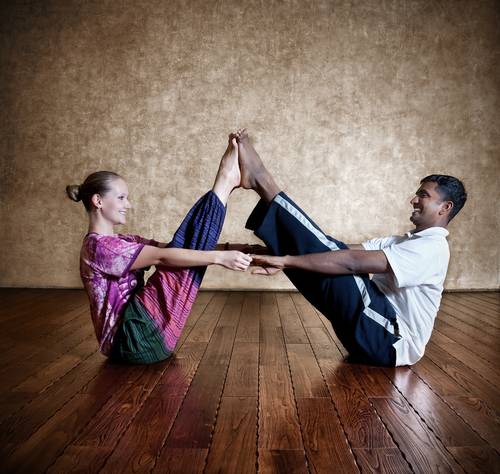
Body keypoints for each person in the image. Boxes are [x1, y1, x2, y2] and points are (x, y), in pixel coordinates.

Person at [235, 129, 467, 366]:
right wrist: (277, 254)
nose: (413, 200)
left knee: (339, 264)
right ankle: (259, 182)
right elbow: (339, 250)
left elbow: (351, 262)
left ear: (444, 207)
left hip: (390, 340)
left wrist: (287, 261)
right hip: (376, 331)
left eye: (423, 195)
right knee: (331, 255)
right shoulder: (403, 242)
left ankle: (261, 180)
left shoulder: (432, 248)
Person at [66, 135, 252, 364]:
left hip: (143, 339)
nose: (129, 204)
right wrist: (219, 258)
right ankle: (224, 182)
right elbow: (164, 258)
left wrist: (236, 249)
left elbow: (176, 248)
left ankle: (224, 183)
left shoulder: (122, 241)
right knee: (176, 262)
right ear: (98, 201)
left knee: (182, 253)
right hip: (130, 342)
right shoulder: (99, 248)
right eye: (121, 197)